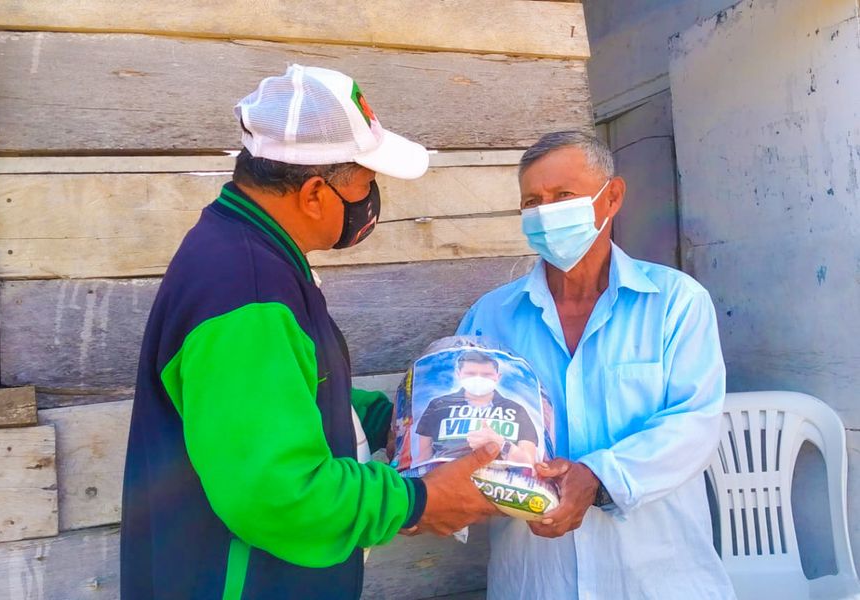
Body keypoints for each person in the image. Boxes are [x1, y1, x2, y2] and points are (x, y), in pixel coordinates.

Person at [120, 64, 499, 600]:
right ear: (316, 193)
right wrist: (417, 500)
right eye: (365, 183)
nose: (372, 199)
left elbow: (295, 394)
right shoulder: (247, 293)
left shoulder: (247, 252)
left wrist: (401, 419)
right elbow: (279, 494)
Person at [457, 131, 735, 599]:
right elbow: (464, 419)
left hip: (656, 577)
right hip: (537, 579)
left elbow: (695, 423)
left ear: (612, 197)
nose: (546, 212)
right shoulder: (491, 317)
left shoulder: (675, 302)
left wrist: (598, 478)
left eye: (563, 195)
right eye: (532, 202)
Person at [414, 350, 538, 465]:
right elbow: (423, 458)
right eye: (471, 374)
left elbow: (528, 464)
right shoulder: (439, 406)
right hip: (448, 478)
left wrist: (501, 444)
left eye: (486, 375)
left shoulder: (516, 411)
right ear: (459, 374)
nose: (478, 379)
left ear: (497, 377)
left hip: (500, 480)